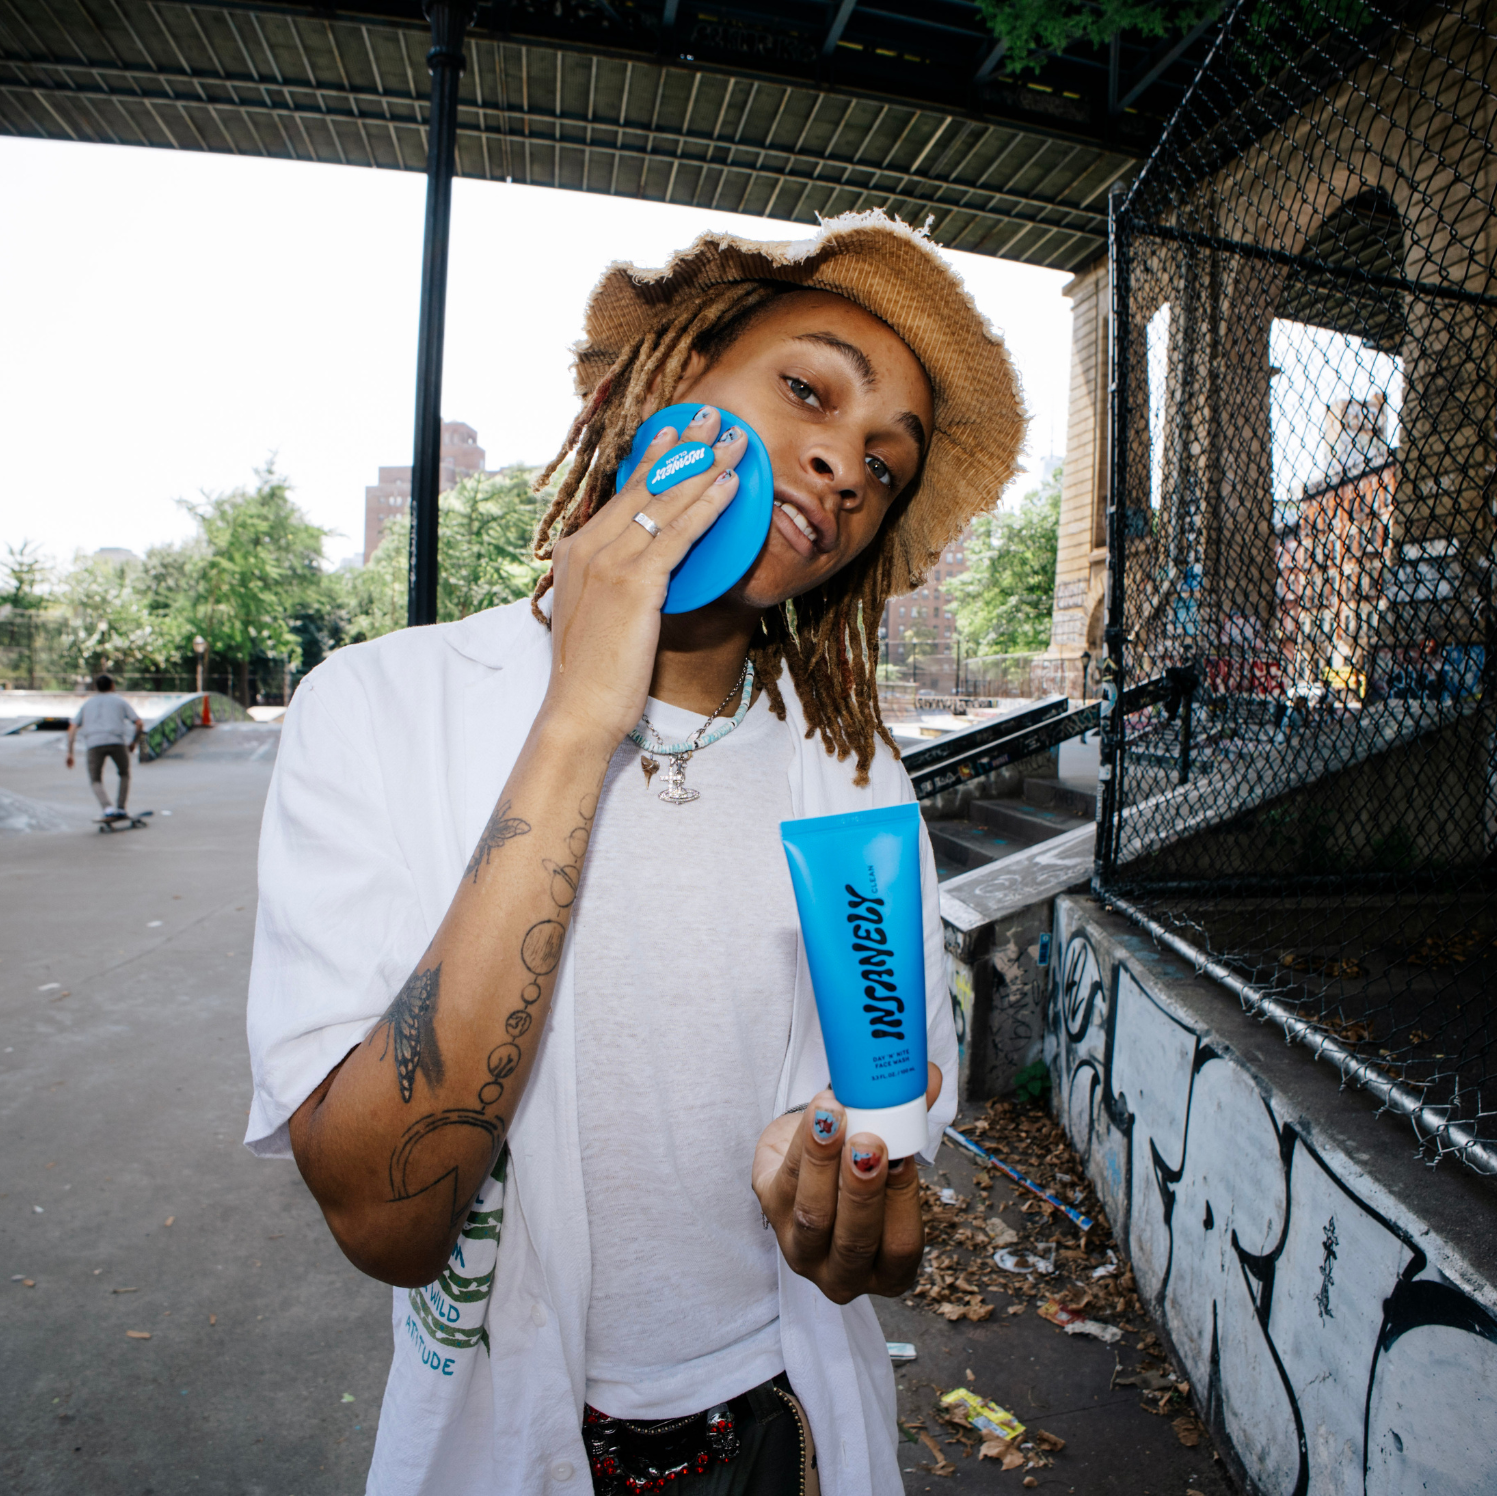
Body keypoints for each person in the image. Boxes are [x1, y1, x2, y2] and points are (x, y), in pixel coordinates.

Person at [245, 211, 1025, 1496]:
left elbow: (890, 1126)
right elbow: (388, 1214)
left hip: (783, 1432)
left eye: (885, 466)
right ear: (654, 388)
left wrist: (849, 1191)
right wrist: (577, 721)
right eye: (806, 389)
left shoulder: (852, 777)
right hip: (504, 1447)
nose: (842, 462)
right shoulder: (379, 708)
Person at [66, 674, 143, 820]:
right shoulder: (120, 701)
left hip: (93, 743)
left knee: (95, 779)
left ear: (96, 687)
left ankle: (107, 808)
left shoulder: (87, 704)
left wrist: (70, 752)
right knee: (124, 773)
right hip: (117, 741)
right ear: (112, 685)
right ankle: (120, 808)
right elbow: (139, 723)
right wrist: (134, 743)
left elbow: (72, 728)